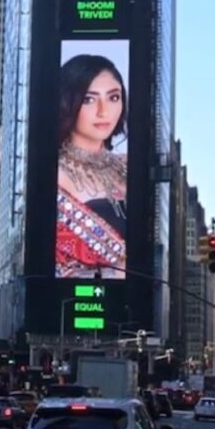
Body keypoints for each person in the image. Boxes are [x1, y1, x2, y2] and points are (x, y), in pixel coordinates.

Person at [56, 54, 128, 280]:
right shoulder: (55, 173)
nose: (103, 111)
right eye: (89, 99)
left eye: (113, 97)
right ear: (68, 102)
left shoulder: (128, 166)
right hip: (80, 303)